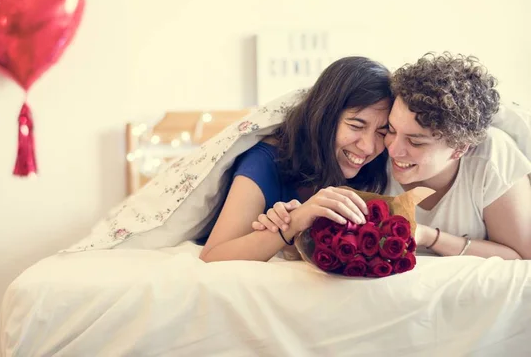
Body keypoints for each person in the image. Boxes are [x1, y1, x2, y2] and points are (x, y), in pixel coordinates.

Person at [254, 53, 531, 260]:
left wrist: (429, 237)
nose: (392, 149)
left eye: (415, 141)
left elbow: (519, 258)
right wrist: (287, 222)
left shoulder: (492, 158)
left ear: (460, 148)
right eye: (392, 129)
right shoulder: (368, 157)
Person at [199, 56, 393, 263]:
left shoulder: (375, 167)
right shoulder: (265, 162)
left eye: (381, 132)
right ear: (325, 117)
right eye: (356, 126)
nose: (368, 147)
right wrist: (295, 221)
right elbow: (213, 256)